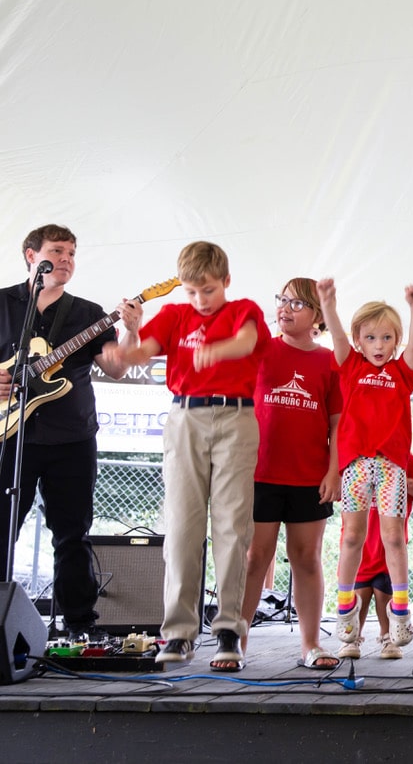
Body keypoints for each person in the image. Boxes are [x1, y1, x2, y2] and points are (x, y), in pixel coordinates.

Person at [103, 241, 270, 670]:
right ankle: (178, 632)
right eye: (192, 291)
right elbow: (140, 352)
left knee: (232, 525)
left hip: (236, 418)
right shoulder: (175, 315)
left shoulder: (244, 310)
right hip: (185, 418)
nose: (200, 300)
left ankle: (229, 628)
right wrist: (128, 342)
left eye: (209, 290)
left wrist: (217, 349)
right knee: (181, 527)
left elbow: (247, 341)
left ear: (226, 281)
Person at [0, 224, 144, 638]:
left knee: (72, 535)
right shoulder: (3, 304)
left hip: (72, 437)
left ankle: (80, 624)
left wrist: (132, 329)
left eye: (72, 253)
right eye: (57, 251)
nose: (66, 259)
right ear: (32, 256)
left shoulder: (87, 313)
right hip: (11, 436)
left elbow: (117, 367)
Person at [239, 277, 342, 670]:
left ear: (317, 315)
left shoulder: (329, 360)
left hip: (309, 476)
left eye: (297, 303)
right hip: (259, 472)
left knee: (307, 557)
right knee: (255, 557)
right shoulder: (261, 349)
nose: (285, 308)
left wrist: (333, 471)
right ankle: (236, 643)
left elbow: (337, 423)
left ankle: (311, 644)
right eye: (282, 300)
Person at [317, 277, 413, 650]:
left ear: (396, 342)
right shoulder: (351, 366)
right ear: (359, 341)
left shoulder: (401, 373)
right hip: (356, 467)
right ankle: (345, 610)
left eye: (387, 338)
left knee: (394, 537)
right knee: (352, 536)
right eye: (371, 338)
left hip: (391, 466)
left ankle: (401, 612)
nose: (379, 345)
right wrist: (329, 304)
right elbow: (337, 336)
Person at [336, 457, 413, 661]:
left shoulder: (405, 461)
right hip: (359, 558)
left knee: (385, 596)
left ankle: (388, 637)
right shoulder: (352, 459)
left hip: (388, 559)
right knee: (357, 597)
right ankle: (351, 638)